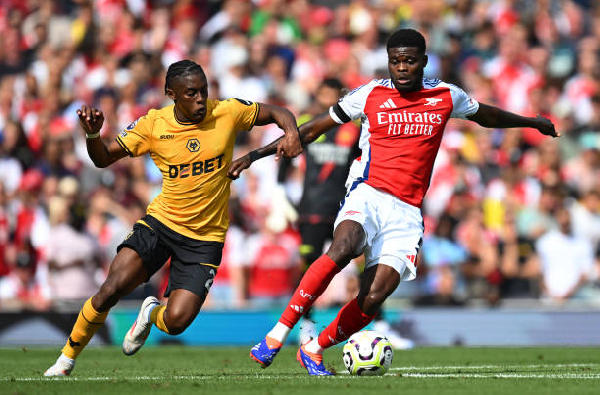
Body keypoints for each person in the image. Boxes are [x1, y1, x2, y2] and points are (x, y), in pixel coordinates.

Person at [228, 29, 559, 375]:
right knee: (343, 246)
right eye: (395, 61)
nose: (401, 67)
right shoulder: (371, 93)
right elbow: (315, 128)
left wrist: (532, 123)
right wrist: (256, 155)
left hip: (407, 211)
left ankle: (314, 348)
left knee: (374, 296)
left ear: (423, 62)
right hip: (368, 192)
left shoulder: (447, 95)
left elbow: (487, 116)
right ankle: (276, 335)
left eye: (409, 60)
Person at [44, 59, 302, 377]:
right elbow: (103, 159)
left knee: (177, 322)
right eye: (191, 93)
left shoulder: (227, 111)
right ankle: (66, 359)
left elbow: (277, 112)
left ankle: (152, 314)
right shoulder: (153, 124)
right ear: (172, 94)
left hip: (205, 238)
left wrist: (290, 132)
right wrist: (94, 135)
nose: (200, 99)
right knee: (111, 288)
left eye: (204, 91)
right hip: (162, 224)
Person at [278, 77, 412, 348]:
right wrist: (288, 202)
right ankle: (307, 327)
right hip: (312, 210)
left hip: (348, 209)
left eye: (332, 95)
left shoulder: (352, 130)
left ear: (340, 96)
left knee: (370, 268)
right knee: (311, 270)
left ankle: (382, 326)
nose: (328, 100)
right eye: (323, 94)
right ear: (317, 95)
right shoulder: (309, 122)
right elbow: (283, 169)